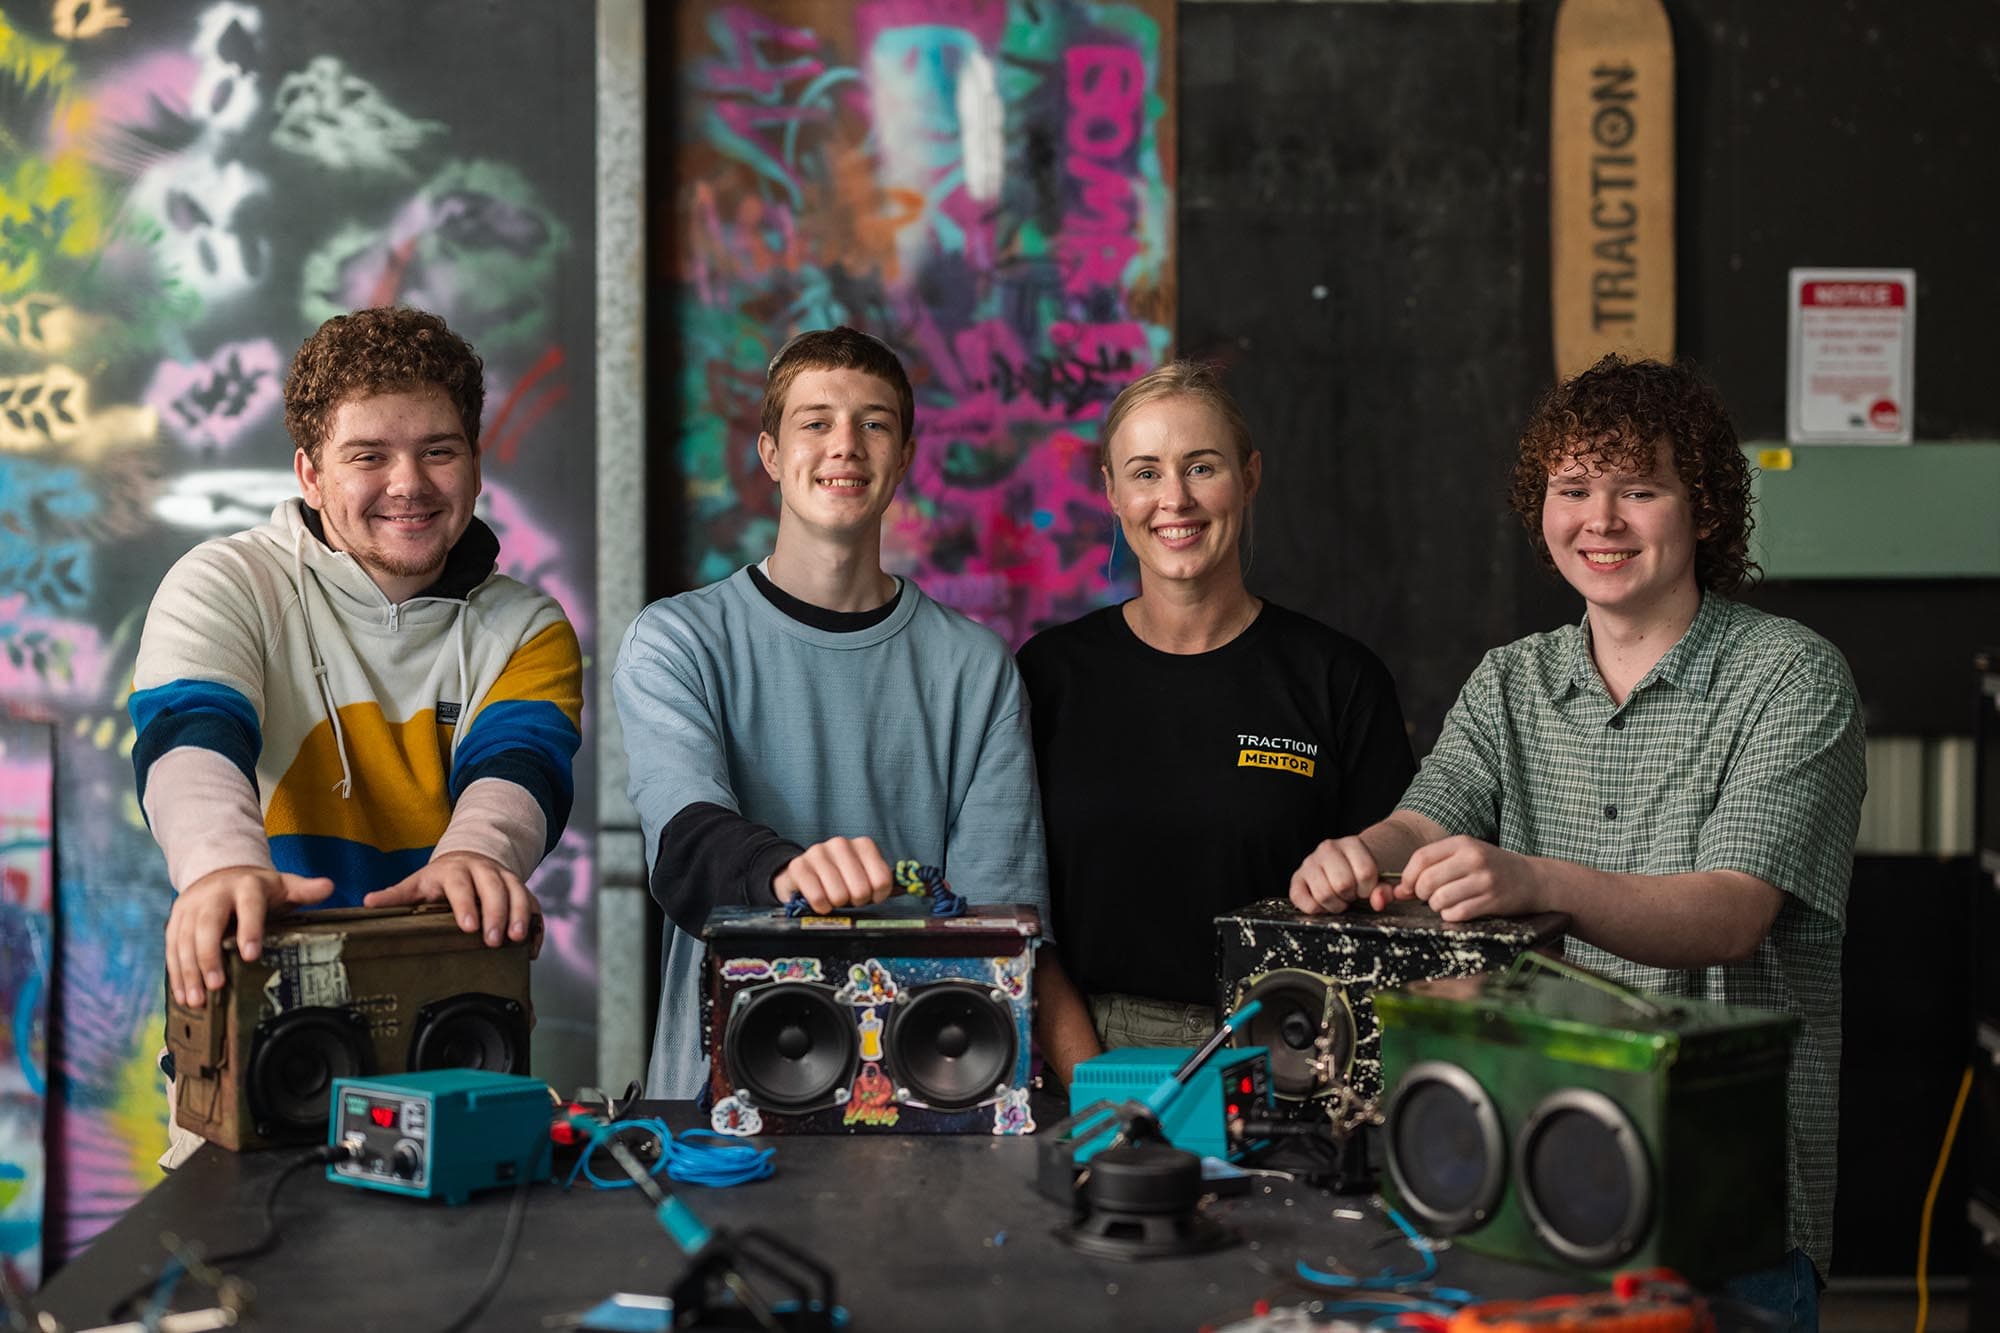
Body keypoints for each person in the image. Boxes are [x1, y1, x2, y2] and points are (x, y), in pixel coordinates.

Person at [1288, 355, 1864, 1329]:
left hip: (1718, 1203)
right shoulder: (1511, 679)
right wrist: (1357, 849)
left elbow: (1731, 911)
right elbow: (1428, 816)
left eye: (1636, 489)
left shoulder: (1788, 678)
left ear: (1706, 509)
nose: (1598, 521)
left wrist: (1529, 879)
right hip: (1522, 1183)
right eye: (1571, 490)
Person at [613, 326, 1054, 1100]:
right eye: (816, 421)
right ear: (772, 455)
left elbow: (997, 937)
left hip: (925, 1094)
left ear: (905, 455)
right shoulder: (676, 640)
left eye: (874, 422)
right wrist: (786, 871)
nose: (845, 443)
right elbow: (684, 839)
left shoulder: (976, 668)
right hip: (720, 1104)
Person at [132, 305, 584, 1029]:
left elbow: (520, 762)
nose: (409, 484)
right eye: (369, 456)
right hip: (259, 1006)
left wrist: (477, 856)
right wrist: (221, 864)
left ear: (474, 461)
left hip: (445, 1019)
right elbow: (190, 734)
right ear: (310, 475)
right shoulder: (226, 583)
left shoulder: (527, 629)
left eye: (438, 450)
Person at [1016, 360, 1415, 1087]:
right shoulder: (1047, 677)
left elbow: (1392, 908)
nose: (1174, 498)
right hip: (1091, 1053)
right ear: (1111, 491)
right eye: (1144, 472)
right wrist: (1096, 1087)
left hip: (1296, 1054)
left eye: (1202, 467)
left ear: (1250, 476)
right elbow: (1018, 913)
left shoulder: (1338, 680)